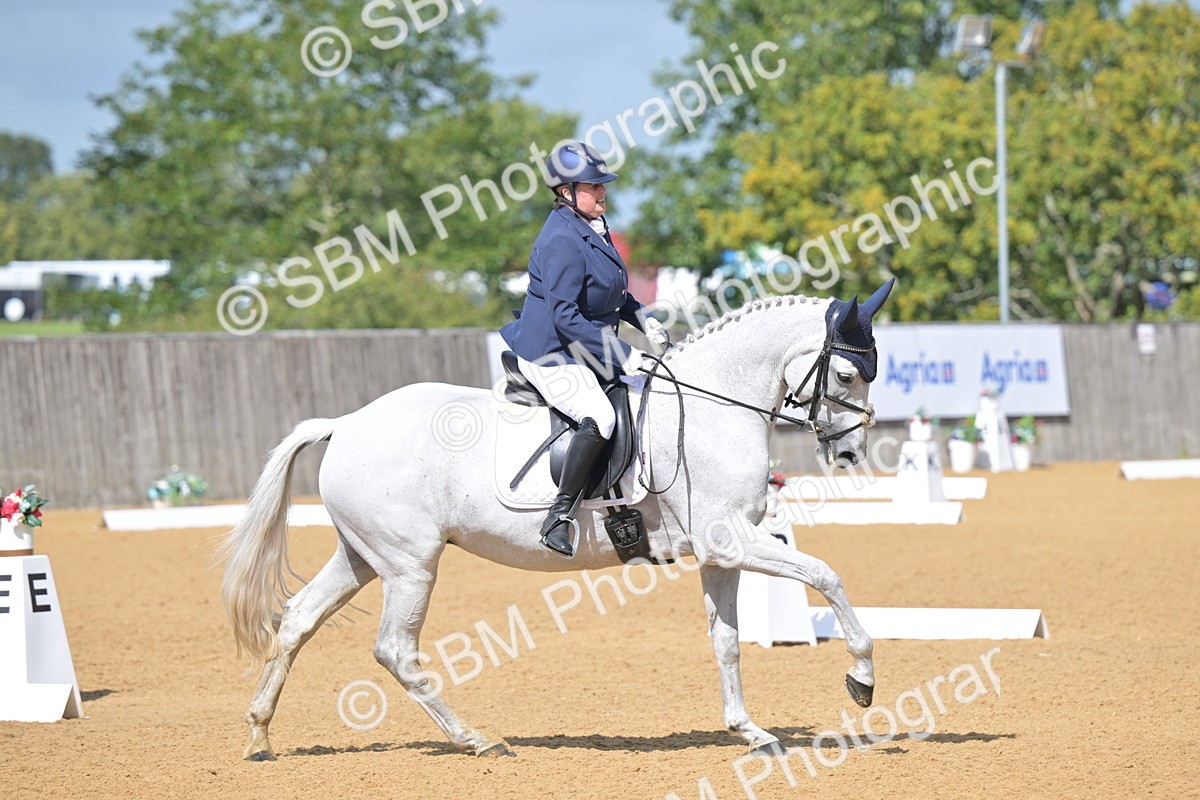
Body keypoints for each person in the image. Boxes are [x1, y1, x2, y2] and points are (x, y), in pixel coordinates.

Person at [500, 141, 668, 557]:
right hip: (550, 350)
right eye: (593, 187)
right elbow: (565, 316)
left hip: (583, 344)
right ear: (565, 192)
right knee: (600, 416)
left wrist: (643, 317)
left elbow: (610, 294)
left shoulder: (593, 225)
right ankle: (559, 516)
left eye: (601, 186)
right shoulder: (560, 238)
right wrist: (622, 353)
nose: (602, 193)